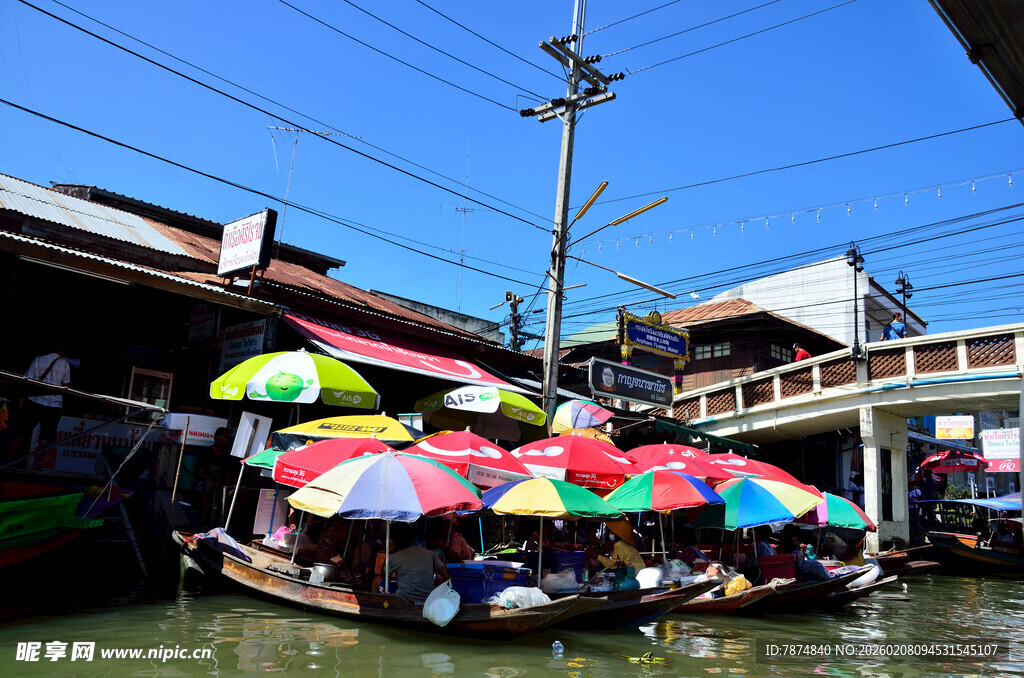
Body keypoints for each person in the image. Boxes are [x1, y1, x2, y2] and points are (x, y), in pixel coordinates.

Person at [6, 348, 74, 463]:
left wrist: (22, 398)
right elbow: (66, 384)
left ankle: (8, 459)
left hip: (34, 400)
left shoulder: (38, 360)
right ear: (61, 351)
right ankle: (37, 464)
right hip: (53, 403)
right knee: (46, 436)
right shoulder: (64, 364)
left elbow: (27, 379)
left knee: (21, 431)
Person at [385, 523, 449, 604]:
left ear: (394, 541)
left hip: (403, 600)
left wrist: (390, 551)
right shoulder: (429, 553)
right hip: (427, 600)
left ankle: (379, 609)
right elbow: (447, 576)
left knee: (376, 581)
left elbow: (383, 575)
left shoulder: (393, 558)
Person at [196, 427, 237, 524]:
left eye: (227, 438)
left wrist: (223, 482)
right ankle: (204, 516)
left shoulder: (227, 456)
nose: (226, 440)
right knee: (209, 486)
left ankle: (229, 520)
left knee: (242, 490)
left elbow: (228, 473)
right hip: (206, 481)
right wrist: (211, 481)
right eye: (224, 437)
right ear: (216, 437)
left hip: (221, 483)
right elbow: (200, 471)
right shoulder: (206, 452)